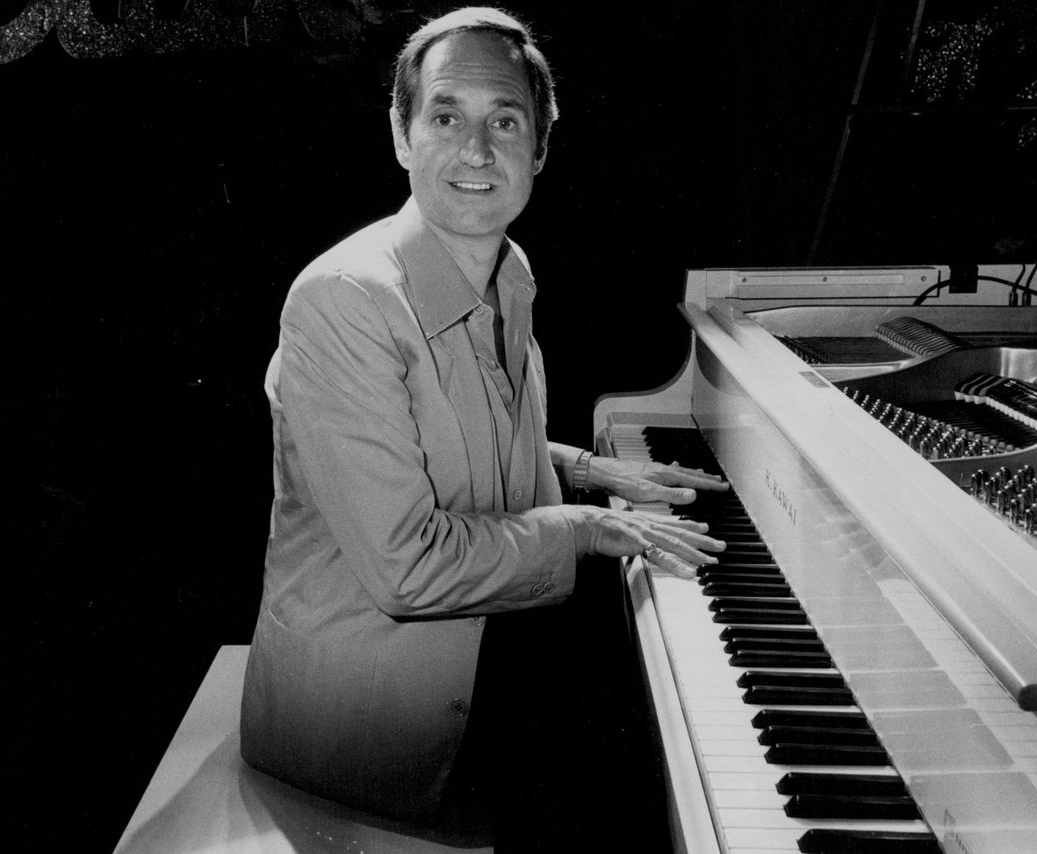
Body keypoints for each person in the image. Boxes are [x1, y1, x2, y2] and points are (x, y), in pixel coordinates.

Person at [239, 6, 727, 848]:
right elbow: (408, 570)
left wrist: (591, 469)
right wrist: (584, 527)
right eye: (445, 116)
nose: (476, 150)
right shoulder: (346, 300)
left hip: (476, 667)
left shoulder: (507, 268)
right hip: (366, 732)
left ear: (539, 148)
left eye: (505, 121)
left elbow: (451, 442)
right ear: (401, 134)